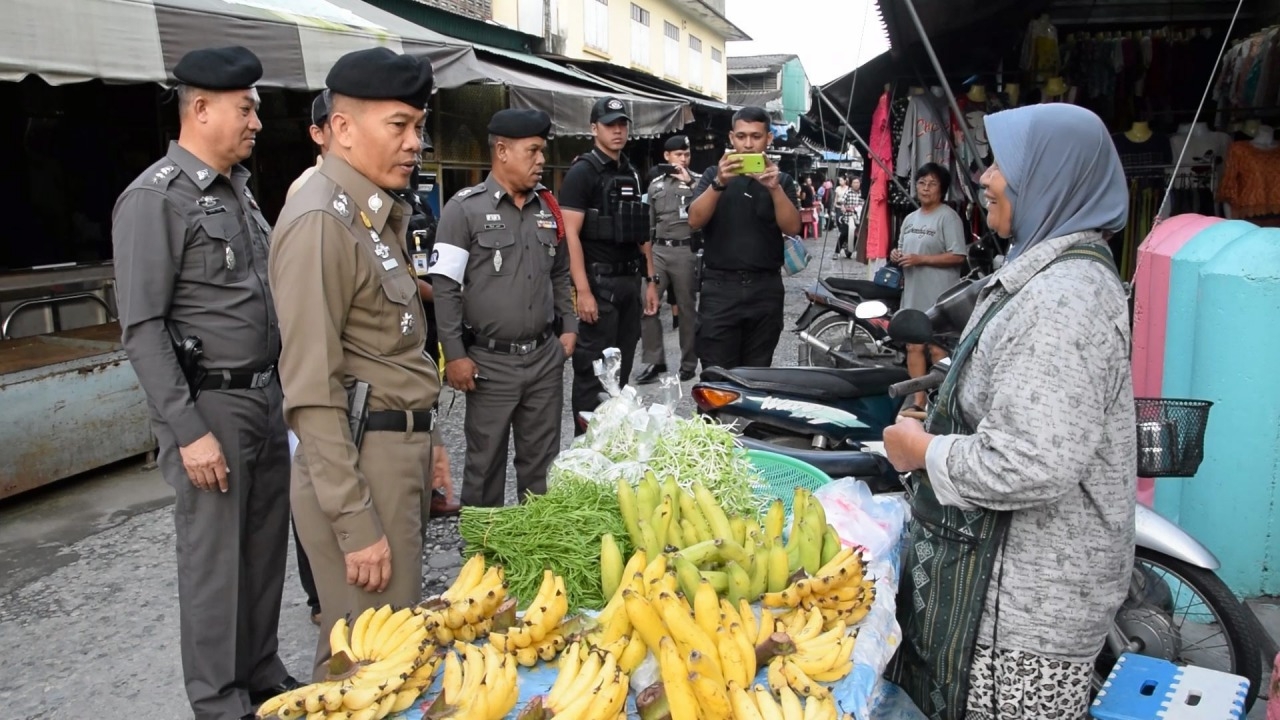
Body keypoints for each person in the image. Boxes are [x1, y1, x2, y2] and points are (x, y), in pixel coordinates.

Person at [882, 103, 1135, 720]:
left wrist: (923, 451)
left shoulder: (1064, 302)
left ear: (1050, 179)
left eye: (1002, 165)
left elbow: (1031, 461)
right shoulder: (1049, 275)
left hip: (1026, 613)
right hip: (1013, 595)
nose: (986, 178)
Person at [112, 46, 296, 720]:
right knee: (215, 561)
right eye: (245, 109)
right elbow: (142, 329)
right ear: (200, 109)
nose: (256, 123)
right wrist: (188, 432)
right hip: (211, 403)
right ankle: (219, 702)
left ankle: (260, 671)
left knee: (264, 547)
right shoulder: (154, 198)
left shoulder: (237, 191)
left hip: (264, 397)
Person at [269, 47, 441, 679]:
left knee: (392, 650)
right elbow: (311, 389)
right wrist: (354, 521)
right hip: (359, 464)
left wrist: (430, 441)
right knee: (364, 668)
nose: (414, 143)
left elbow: (395, 348)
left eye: (418, 126)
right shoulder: (322, 220)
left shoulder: (370, 212)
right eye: (399, 125)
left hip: (391, 451)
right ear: (341, 128)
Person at [429, 108, 577, 507]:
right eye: (533, 151)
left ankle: (537, 542)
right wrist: (455, 355)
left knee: (542, 467)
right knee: (485, 465)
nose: (541, 160)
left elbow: (559, 273)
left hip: (544, 359)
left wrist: (569, 327)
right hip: (490, 363)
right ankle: (484, 543)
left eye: (542, 151)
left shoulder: (548, 208)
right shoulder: (464, 209)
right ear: (502, 151)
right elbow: (445, 288)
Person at [560, 96, 658, 431]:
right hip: (599, 287)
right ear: (594, 129)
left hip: (629, 284)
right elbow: (570, 235)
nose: (617, 131)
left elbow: (641, 230)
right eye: (609, 125)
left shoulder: (631, 172)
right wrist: (583, 291)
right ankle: (585, 446)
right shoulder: (582, 173)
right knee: (593, 376)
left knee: (621, 377)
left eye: (621, 125)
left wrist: (651, 280)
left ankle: (613, 443)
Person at [687, 105, 801, 370]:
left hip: (765, 289)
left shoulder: (782, 180)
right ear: (731, 138)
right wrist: (719, 183)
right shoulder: (712, 175)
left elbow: (792, 228)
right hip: (720, 288)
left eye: (756, 136)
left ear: (768, 138)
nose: (748, 144)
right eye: (741, 136)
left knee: (757, 373)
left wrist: (774, 189)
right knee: (716, 375)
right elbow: (694, 221)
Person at [284, 91, 333, 626]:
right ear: (320, 134)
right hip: (315, 369)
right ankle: (320, 596)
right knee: (314, 479)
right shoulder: (311, 193)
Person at [397, 167, 460, 517]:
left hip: (430, 317)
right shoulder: (378, 205)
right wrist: (441, 296)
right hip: (404, 314)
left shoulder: (419, 203)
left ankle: (430, 487)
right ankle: (411, 490)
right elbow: (397, 272)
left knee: (428, 397)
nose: (414, 158)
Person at [890, 162, 967, 411]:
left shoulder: (948, 217)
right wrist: (896, 255)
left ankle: (941, 401)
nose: (925, 188)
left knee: (937, 347)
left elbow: (958, 256)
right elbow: (902, 249)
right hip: (913, 292)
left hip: (939, 295)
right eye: (922, 182)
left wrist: (920, 259)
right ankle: (919, 400)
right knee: (913, 345)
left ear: (942, 189)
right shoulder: (910, 219)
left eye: (932, 184)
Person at [635, 135, 699, 384]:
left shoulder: (697, 181)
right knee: (648, 302)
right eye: (678, 154)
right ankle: (655, 361)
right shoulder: (656, 185)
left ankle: (688, 363)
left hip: (685, 251)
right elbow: (648, 226)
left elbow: (708, 203)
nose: (683, 159)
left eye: (687, 154)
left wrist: (690, 182)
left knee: (686, 309)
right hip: (659, 251)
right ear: (667, 156)